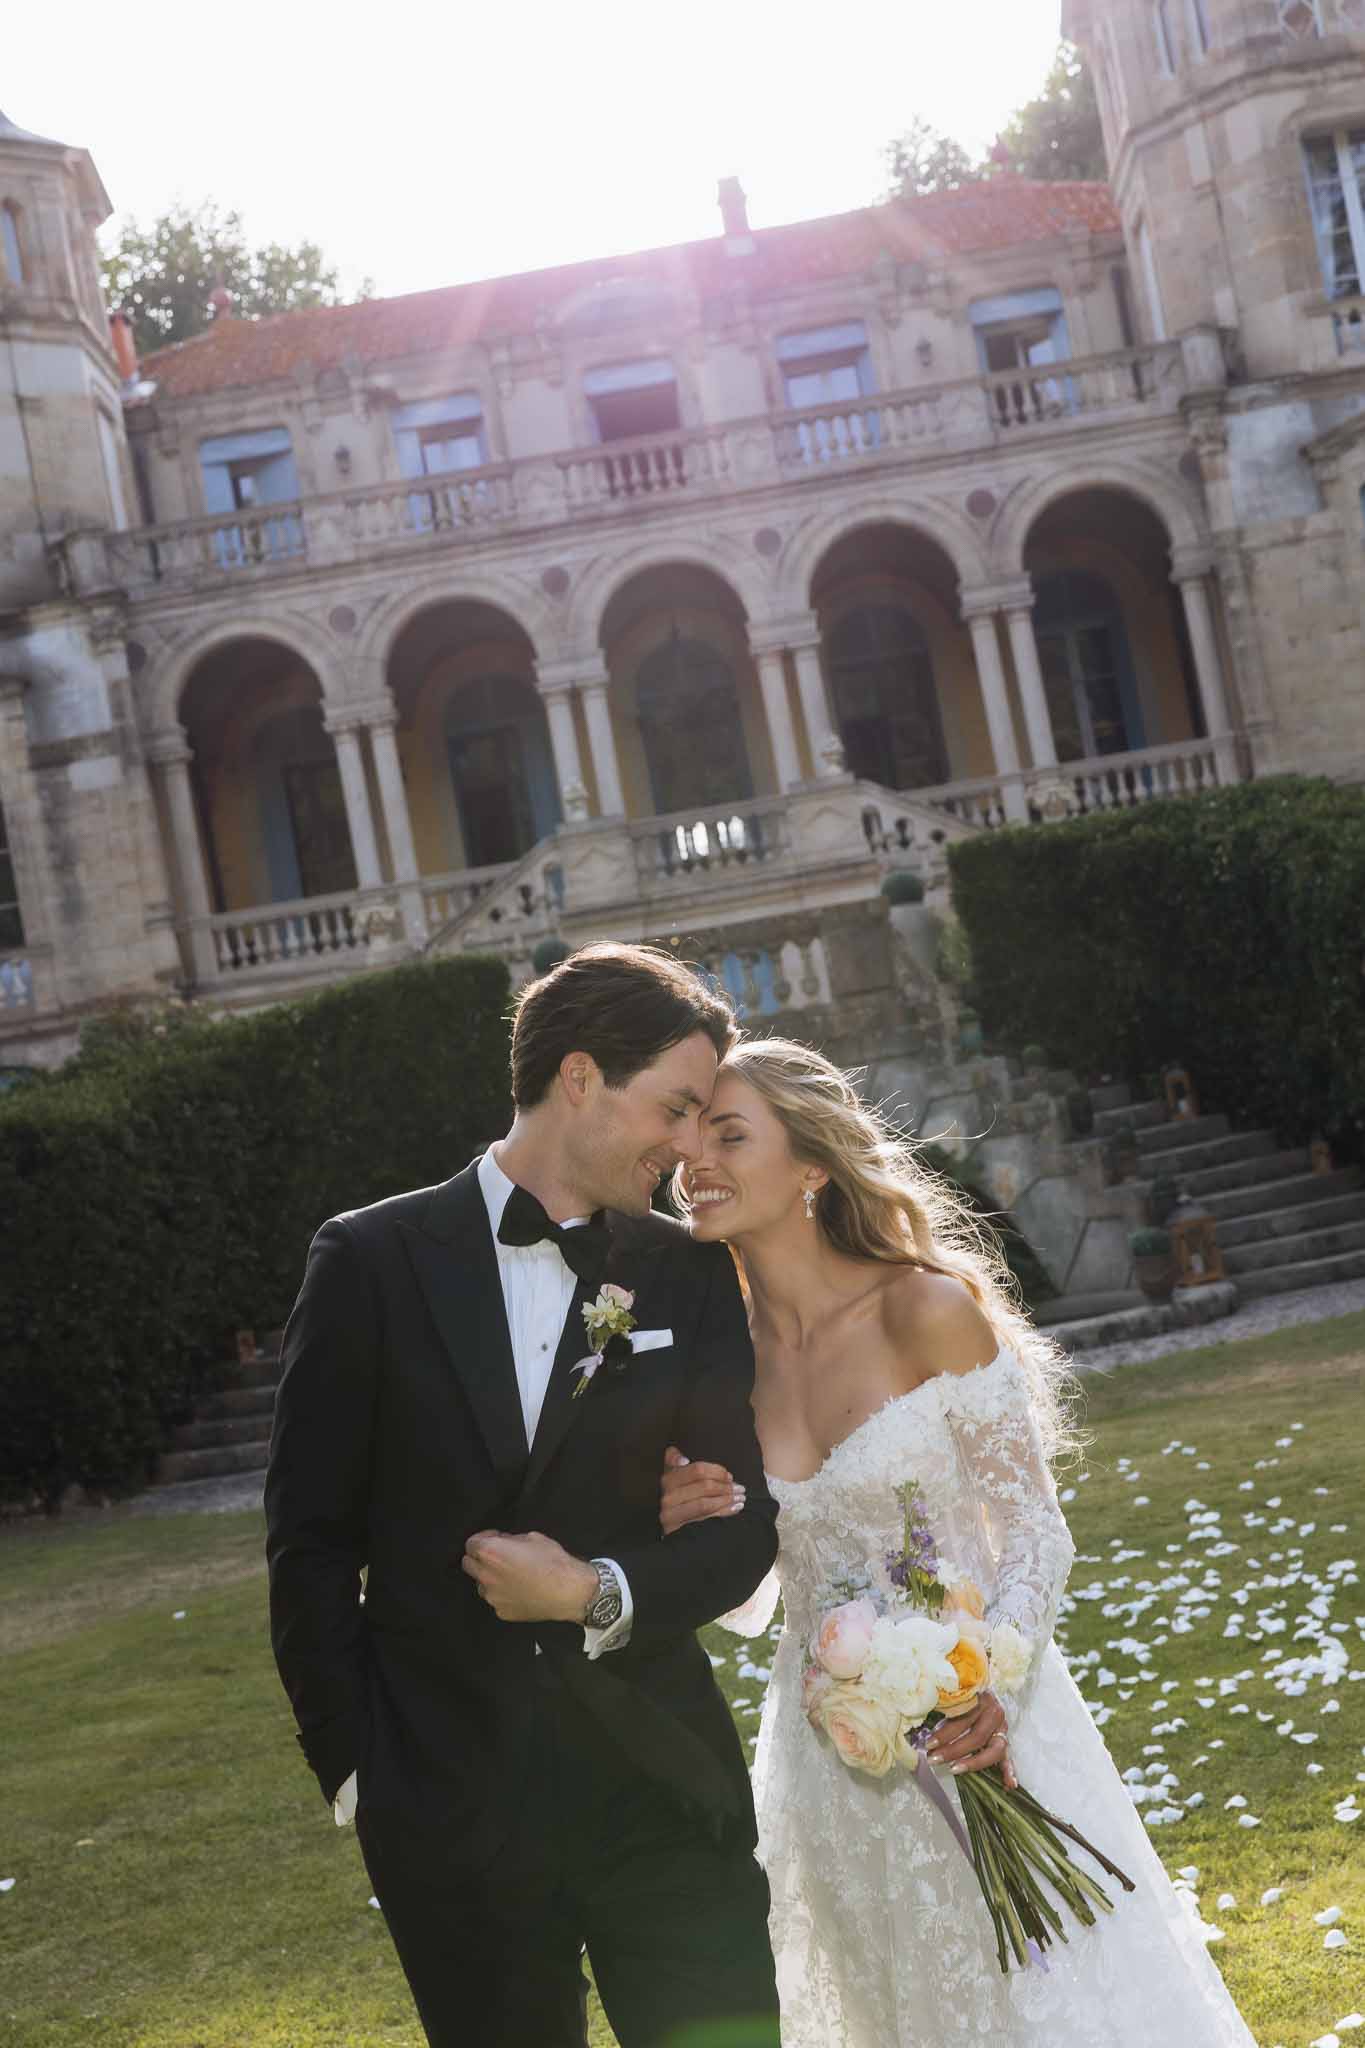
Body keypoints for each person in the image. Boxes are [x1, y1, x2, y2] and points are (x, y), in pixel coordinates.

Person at [660, 1037, 1257, 2048]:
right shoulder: (717, 1366)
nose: (694, 1163)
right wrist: (694, 1517)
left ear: (812, 1166)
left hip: (995, 1725)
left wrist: (992, 1683)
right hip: (832, 1760)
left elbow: (1032, 1527)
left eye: (728, 1135)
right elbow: (753, 1591)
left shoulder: (921, 1309)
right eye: (686, 1139)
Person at [265, 943, 782, 2048]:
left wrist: (600, 1590)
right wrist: (358, 1771)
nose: (690, 1145)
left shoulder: (688, 1270)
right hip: (449, 1808)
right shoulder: (368, 1260)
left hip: (661, 1789)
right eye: (676, 1108)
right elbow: (309, 1542)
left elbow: (743, 1529)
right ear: (581, 1076)